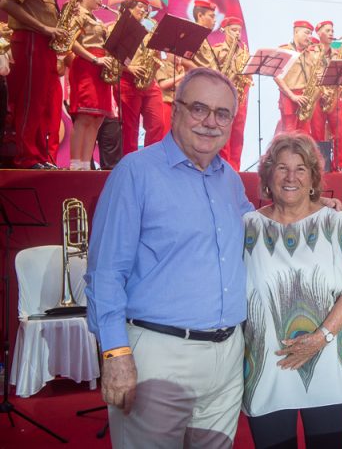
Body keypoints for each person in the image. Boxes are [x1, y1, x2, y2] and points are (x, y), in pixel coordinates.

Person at [86, 67, 250, 448]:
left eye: (222, 113)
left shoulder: (230, 180)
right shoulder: (135, 172)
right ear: (175, 110)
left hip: (227, 360)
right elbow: (105, 272)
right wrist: (115, 353)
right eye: (199, 109)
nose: (210, 122)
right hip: (158, 356)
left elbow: (261, 232)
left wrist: (314, 207)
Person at [242, 132, 342, 448]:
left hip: (330, 364)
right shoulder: (246, 227)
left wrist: (320, 338)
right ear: (268, 176)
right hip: (267, 369)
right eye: (282, 168)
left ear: (314, 178)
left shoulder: (337, 224)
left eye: (301, 169)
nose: (290, 177)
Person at [0, 0, 66, 169]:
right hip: (29, 41)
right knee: (29, 102)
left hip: (42, 45)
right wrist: (44, 27)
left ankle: (38, 156)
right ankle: (26, 157)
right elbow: (7, 2)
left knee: (41, 103)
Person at [67, 0, 114, 170]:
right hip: (87, 65)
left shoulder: (97, 19)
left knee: (97, 118)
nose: (101, 1)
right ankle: (75, 163)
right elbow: (71, 41)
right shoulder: (78, 14)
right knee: (84, 117)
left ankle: (86, 164)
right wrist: (94, 59)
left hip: (101, 67)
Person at [113, 0, 164, 155]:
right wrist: (130, 68)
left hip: (148, 81)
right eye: (139, 7)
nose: (144, 11)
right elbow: (110, 57)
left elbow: (155, 56)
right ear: (127, 8)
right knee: (130, 127)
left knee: (158, 124)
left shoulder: (147, 31)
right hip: (127, 81)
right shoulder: (115, 28)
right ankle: (130, 163)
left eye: (145, 8)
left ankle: (152, 161)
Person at [214, 16, 251, 170]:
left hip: (240, 97)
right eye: (233, 30)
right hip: (223, 98)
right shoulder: (216, 49)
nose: (237, 34)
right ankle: (222, 167)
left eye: (239, 31)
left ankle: (236, 170)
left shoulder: (243, 53)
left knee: (238, 135)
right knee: (224, 135)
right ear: (225, 31)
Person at [274, 20, 316, 133]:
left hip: (305, 97)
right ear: (296, 32)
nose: (310, 37)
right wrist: (292, 96)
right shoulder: (284, 50)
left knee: (304, 135)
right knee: (289, 135)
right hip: (289, 97)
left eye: (311, 34)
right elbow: (276, 76)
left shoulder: (310, 54)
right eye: (306, 33)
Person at [156, 52, 188, 137]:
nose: (178, 56)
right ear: (167, 54)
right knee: (166, 133)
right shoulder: (162, 64)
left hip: (180, 105)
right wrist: (182, 75)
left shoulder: (181, 68)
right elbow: (162, 84)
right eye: (175, 54)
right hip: (167, 103)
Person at [184, 0, 220, 71]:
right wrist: (201, 73)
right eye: (211, 16)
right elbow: (182, 59)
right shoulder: (192, 35)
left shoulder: (203, 36)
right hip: (198, 80)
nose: (215, 20)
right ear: (200, 16)